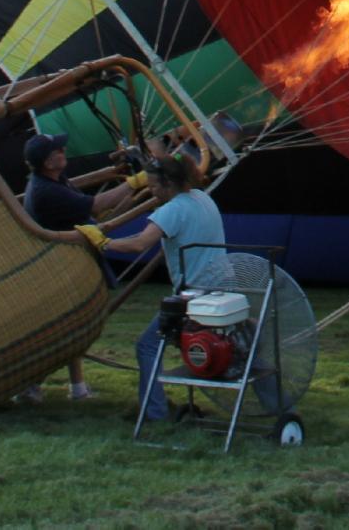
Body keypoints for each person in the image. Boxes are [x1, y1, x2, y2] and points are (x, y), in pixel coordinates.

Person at [77, 152, 227, 423]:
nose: (151, 191)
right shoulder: (203, 198)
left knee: (147, 346)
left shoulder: (171, 210)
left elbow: (139, 244)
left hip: (192, 297)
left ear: (168, 183)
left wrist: (104, 243)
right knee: (240, 345)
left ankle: (154, 412)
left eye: (154, 186)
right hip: (223, 290)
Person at [21, 131, 145, 401]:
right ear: (46, 161)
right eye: (58, 151)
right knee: (63, 331)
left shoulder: (50, 180)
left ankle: (76, 387)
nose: (63, 152)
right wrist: (136, 181)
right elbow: (100, 203)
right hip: (62, 270)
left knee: (71, 328)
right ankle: (30, 385)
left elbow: (80, 185)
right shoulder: (47, 191)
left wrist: (114, 172)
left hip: (66, 264)